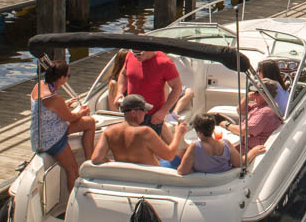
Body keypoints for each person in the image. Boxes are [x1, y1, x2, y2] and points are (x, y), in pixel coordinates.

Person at [30, 60, 97, 191]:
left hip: (42, 133)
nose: (68, 78)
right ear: (61, 78)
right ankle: (72, 203)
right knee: (72, 169)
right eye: (68, 76)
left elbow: (46, 110)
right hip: (51, 139)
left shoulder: (39, 86)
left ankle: (90, 161)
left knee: (89, 123)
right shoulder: (54, 99)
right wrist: (81, 112)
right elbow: (71, 118)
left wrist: (65, 106)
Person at [91, 94, 188, 167]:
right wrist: (178, 134)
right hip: (151, 177)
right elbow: (170, 156)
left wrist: (118, 164)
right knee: (185, 155)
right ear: (133, 112)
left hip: (128, 176)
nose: (146, 112)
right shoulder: (145, 132)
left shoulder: (108, 132)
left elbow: (96, 159)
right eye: (143, 110)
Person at [118, 49, 182, 136]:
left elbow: (177, 88)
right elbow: (123, 74)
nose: (136, 56)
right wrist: (119, 92)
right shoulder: (130, 55)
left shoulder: (165, 63)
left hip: (151, 117)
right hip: (130, 113)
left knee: (148, 149)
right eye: (134, 53)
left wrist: (163, 111)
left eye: (139, 54)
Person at [177, 114, 267, 175]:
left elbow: (182, 171)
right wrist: (253, 152)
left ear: (199, 133)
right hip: (224, 182)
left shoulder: (194, 146)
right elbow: (241, 163)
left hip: (203, 184)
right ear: (213, 129)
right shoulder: (226, 144)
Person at [220, 79, 283, 149]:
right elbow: (240, 110)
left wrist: (226, 125)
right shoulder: (263, 105)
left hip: (247, 149)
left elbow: (244, 131)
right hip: (242, 143)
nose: (254, 94)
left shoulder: (265, 112)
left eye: (256, 92)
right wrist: (247, 98)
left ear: (266, 95)